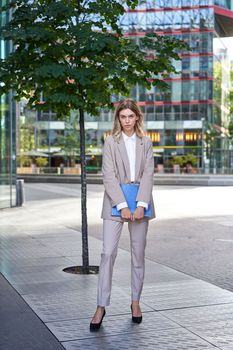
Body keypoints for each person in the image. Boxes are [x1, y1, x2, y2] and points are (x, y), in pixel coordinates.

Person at [90, 99, 155, 331]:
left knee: (138, 255)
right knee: (107, 253)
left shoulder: (146, 143)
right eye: (123, 116)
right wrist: (122, 205)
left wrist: (140, 205)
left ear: (137, 117)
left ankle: (135, 302)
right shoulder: (110, 142)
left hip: (140, 204)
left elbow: (148, 174)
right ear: (118, 118)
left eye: (130, 116)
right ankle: (101, 305)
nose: (127, 121)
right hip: (115, 203)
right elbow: (108, 175)